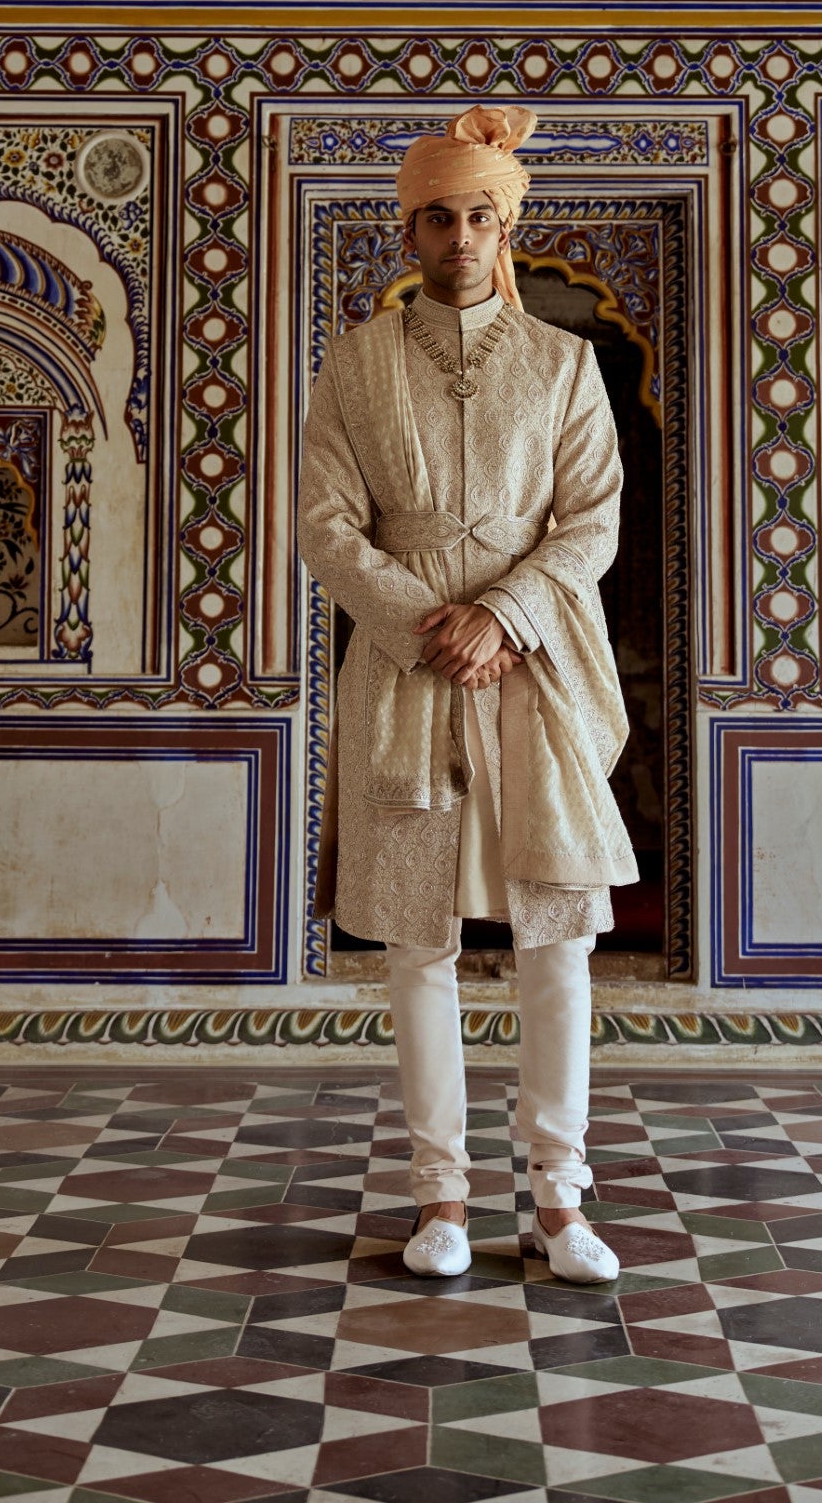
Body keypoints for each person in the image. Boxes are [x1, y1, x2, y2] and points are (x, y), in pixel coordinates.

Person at [298, 105, 638, 1285]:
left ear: (507, 227)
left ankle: (560, 1200)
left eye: (478, 216)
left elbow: (591, 524)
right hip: (409, 674)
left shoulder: (564, 364)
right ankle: (439, 1198)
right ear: (409, 232)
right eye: (437, 217)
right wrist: (423, 626)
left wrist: (504, 615)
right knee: (417, 944)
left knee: (558, 942)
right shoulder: (357, 363)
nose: (458, 235)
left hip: (537, 668)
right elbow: (327, 527)